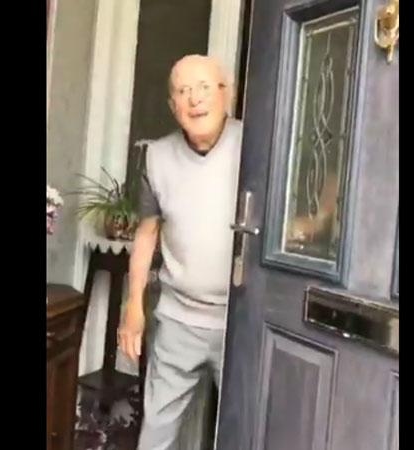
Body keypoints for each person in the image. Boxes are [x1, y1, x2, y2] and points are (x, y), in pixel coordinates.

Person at [117, 54, 243, 450]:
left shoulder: (255, 145)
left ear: (226, 93)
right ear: (173, 106)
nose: (195, 99)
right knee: (156, 433)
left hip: (240, 322)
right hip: (177, 319)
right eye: (183, 91)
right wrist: (133, 308)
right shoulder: (157, 157)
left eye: (204, 87)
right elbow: (146, 234)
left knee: (247, 431)